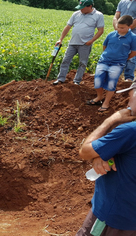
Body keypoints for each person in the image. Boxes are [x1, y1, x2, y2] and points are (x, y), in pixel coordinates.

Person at [78, 84, 136, 235]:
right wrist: (104, 154)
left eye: (130, 98)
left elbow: (85, 151)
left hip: (114, 218)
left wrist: (111, 120)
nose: (127, 104)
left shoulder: (130, 131)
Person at [86, 15, 136, 112]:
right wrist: (107, 56)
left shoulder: (133, 38)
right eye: (118, 27)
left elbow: (134, 52)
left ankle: (106, 103)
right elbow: (105, 46)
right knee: (97, 81)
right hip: (104, 61)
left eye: (122, 28)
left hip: (118, 64)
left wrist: (124, 58)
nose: (119, 29)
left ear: (130, 26)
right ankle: (99, 97)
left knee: (111, 84)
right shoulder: (111, 35)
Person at [52, 0, 104, 86]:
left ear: (90, 6)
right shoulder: (76, 14)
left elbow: (100, 31)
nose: (81, 10)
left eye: (83, 8)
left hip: (85, 44)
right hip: (72, 43)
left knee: (82, 63)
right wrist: (60, 39)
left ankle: (77, 81)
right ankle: (61, 79)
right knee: (65, 61)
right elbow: (68, 27)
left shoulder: (98, 15)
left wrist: (91, 41)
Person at [113, 0, 136, 82]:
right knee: (117, 53)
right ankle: (115, 75)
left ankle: (128, 78)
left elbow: (134, 23)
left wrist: (123, 29)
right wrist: (118, 28)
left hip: (133, 33)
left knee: (131, 56)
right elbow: (116, 17)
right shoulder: (122, 2)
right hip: (119, 33)